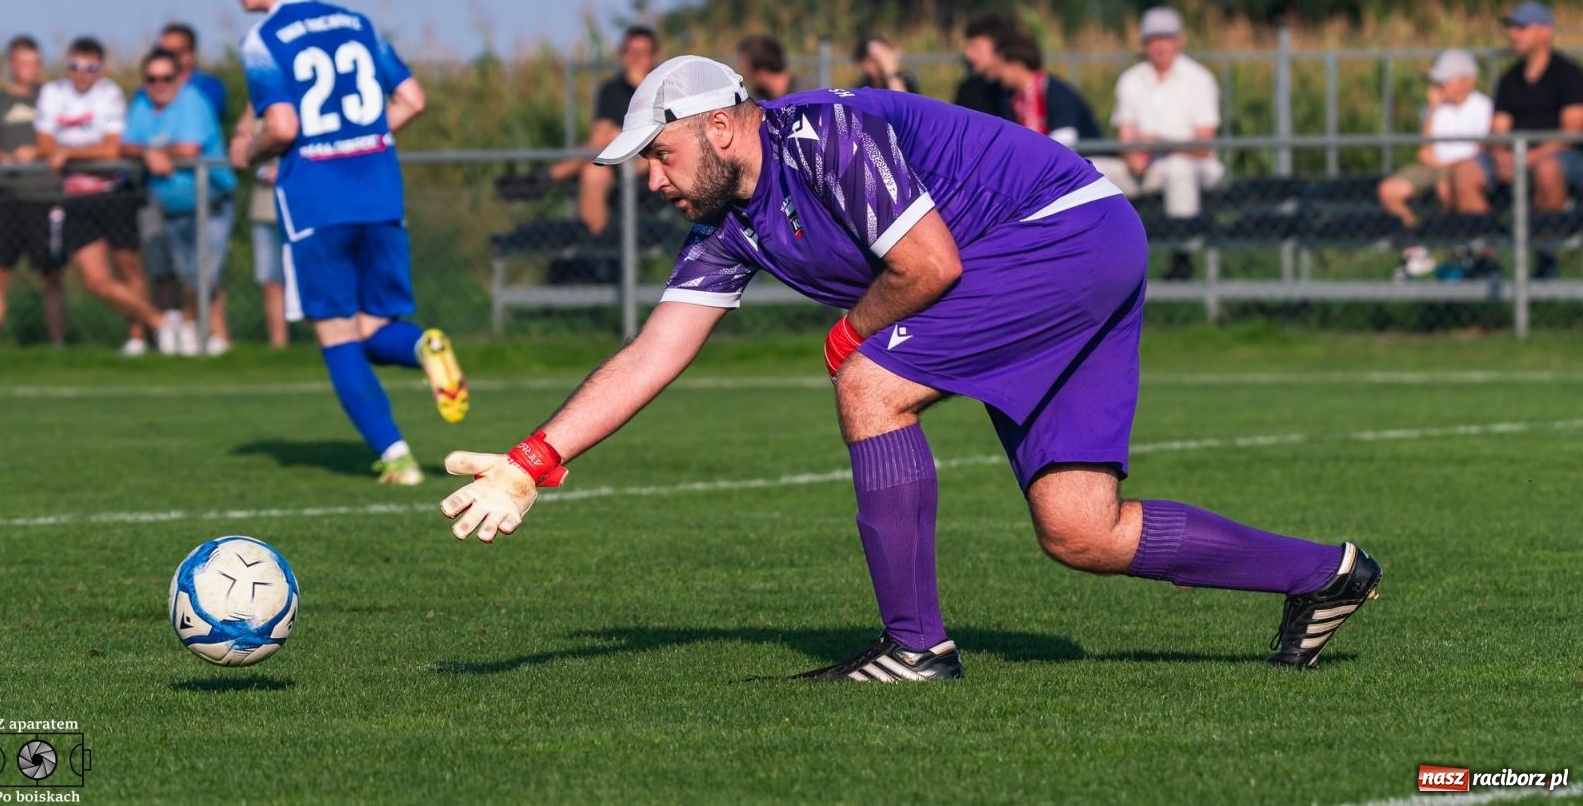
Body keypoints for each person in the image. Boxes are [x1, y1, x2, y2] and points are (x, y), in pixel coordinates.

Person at [439, 55, 1382, 678]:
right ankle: (1327, 572)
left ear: (721, 127)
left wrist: (851, 334)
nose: (651, 177)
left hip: (1064, 235)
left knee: (868, 380)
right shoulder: (725, 224)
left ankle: (915, 646)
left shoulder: (821, 135)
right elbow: (655, 350)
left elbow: (929, 264)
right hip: (1078, 249)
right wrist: (534, 460)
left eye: (660, 153)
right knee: (1079, 530)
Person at [225, 0, 468, 484]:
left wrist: (250, 152)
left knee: (335, 334)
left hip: (317, 199)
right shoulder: (357, 23)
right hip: (380, 191)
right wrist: (362, 139)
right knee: (369, 326)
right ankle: (423, 347)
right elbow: (412, 97)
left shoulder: (264, 39)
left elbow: (282, 126)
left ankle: (398, 458)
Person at [35, 36, 166, 351]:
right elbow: (45, 145)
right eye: (74, 66)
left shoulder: (110, 94)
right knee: (94, 280)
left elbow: (111, 147)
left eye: (90, 68)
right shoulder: (52, 93)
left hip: (112, 192)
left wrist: (69, 153)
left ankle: (137, 337)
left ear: (100, 69)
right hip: (76, 197)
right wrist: (70, 152)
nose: (81, 74)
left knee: (129, 267)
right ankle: (161, 323)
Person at [1449, 1, 1583, 279]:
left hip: (1559, 157)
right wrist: (1499, 154)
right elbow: (1498, 129)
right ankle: (1486, 258)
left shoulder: (1568, 74)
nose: (1514, 34)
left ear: (1545, 32)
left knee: (1548, 169)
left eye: (1522, 27)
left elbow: (1571, 131)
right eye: (1512, 28)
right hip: (1515, 157)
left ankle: (1546, 253)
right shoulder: (1509, 78)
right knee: (1464, 172)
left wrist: (1528, 157)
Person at [121, 48, 237, 355]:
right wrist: (148, 153)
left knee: (205, 273)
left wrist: (160, 152)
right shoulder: (142, 103)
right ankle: (188, 333)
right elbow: (127, 145)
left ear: (180, 78)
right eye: (152, 78)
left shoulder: (192, 102)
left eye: (166, 78)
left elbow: (189, 148)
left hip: (209, 201)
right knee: (180, 275)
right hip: (169, 205)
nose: (159, 84)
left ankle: (211, 334)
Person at [1105, 7, 1226, 281]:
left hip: (1194, 166)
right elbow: (1125, 134)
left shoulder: (1199, 79)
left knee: (1179, 168)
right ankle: (1100, 251)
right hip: (1146, 167)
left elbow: (1203, 146)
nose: (1160, 45)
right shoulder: (1131, 80)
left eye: (1166, 37)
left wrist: (1160, 144)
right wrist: (1131, 156)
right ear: (1144, 43)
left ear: (1179, 41)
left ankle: (1181, 257)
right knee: (1094, 170)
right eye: (1153, 38)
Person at [1377, 50, 1492, 280]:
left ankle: (1463, 252)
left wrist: (1452, 167)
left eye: (1443, 80)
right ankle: (1417, 252)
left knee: (1448, 186)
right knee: (1388, 190)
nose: (1438, 86)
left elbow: (1482, 152)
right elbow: (1424, 153)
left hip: (1465, 169)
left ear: (1466, 80)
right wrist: (1431, 110)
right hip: (1435, 167)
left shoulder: (1485, 107)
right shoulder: (1432, 108)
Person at [0, 35, 66, 349]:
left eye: (37, 62)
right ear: (11, 66)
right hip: (8, 195)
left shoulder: (53, 98)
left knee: (52, 274)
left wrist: (41, 151)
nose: (32, 69)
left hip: (46, 196)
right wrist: (5, 157)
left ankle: (58, 345)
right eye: (25, 63)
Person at [546, 24, 659, 237]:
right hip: (614, 161)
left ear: (653, 57)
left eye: (642, 54)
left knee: (612, 139)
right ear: (622, 55)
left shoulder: (662, 89)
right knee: (593, 171)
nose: (635, 59)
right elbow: (598, 137)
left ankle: (548, 178)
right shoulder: (611, 90)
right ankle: (595, 242)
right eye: (630, 52)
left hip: (648, 164)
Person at [992, 30, 1106, 152]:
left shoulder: (1057, 93)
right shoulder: (1013, 99)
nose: (997, 72)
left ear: (1017, 65)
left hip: (1090, 160)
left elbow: (1065, 141)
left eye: (1000, 66)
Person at [249, 161, 288, 348]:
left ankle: (331, 340)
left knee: (316, 280)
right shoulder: (253, 129)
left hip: (306, 210)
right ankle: (278, 346)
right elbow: (241, 154)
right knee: (272, 282)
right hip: (267, 210)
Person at [156, 22, 229, 120]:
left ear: (190, 54)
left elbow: (204, 118)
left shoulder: (209, 87)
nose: (165, 57)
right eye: (160, 52)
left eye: (173, 52)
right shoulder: (148, 89)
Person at [953, 14, 1015, 120]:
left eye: (976, 47)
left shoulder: (1021, 89)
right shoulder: (969, 89)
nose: (968, 54)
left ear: (999, 47)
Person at [737, 34, 797, 98]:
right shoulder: (754, 99)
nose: (742, 73)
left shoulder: (806, 94)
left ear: (762, 71)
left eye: (745, 67)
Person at [853, 36, 919, 93]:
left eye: (886, 56)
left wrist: (891, 74)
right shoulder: (861, 89)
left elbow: (902, 103)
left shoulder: (906, 79)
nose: (883, 63)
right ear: (862, 64)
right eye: (876, 59)